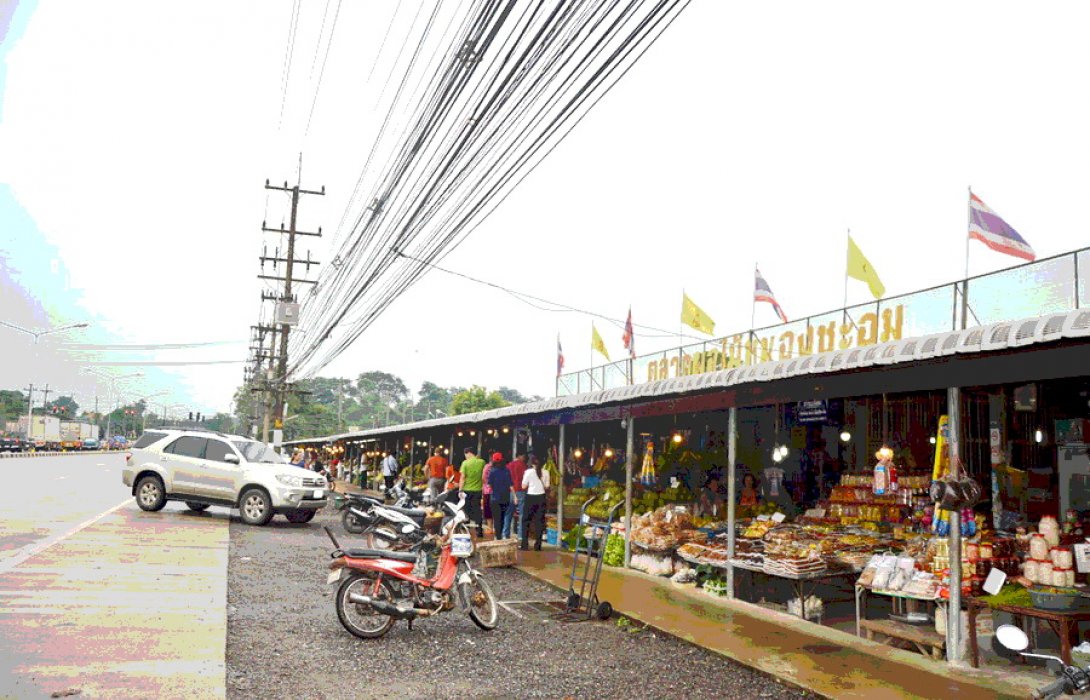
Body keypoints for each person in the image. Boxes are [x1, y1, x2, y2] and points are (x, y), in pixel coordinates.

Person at [521, 455, 550, 551]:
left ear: (532, 463)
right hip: (541, 498)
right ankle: (538, 545)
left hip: (530, 497)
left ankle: (524, 544)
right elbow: (547, 487)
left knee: (526, 521)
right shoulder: (546, 472)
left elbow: (523, 486)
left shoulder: (528, 472)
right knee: (539, 522)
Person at [458, 448, 486, 538]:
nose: (465, 457)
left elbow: (462, 478)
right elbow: (484, 476)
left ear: (469, 453)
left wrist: (460, 490)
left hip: (466, 490)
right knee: (477, 510)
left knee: (466, 510)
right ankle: (479, 530)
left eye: (465, 454)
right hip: (478, 490)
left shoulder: (465, 463)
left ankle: (466, 531)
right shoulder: (482, 462)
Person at [485, 452, 513, 539]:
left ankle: (498, 536)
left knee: (497, 518)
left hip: (495, 498)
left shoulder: (492, 471)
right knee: (503, 518)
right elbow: (510, 484)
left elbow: (489, 485)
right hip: (505, 497)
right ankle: (501, 534)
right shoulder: (506, 470)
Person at [507, 452, 529, 543]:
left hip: (510, 491)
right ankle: (520, 536)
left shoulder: (508, 466)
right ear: (520, 456)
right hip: (521, 491)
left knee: (508, 514)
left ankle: (505, 534)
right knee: (522, 514)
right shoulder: (524, 466)